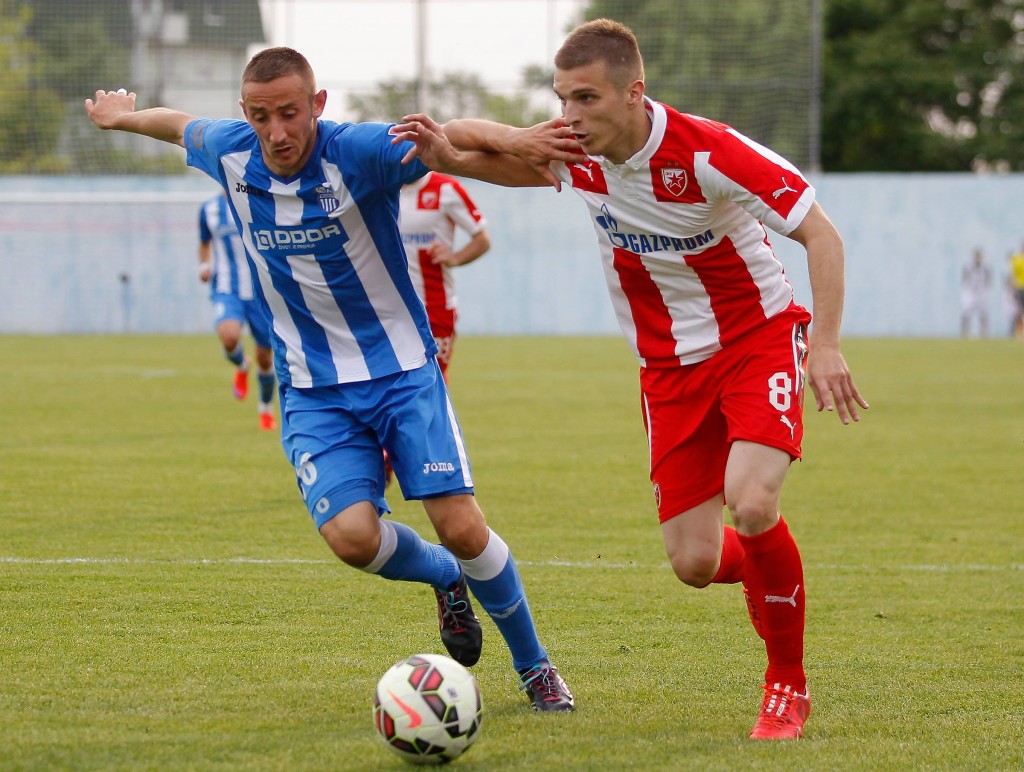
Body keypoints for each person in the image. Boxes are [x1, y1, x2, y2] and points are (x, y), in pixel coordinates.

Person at [393, 18, 868, 740]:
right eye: (561, 99)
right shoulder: (577, 153)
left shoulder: (708, 152)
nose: (570, 114)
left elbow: (821, 233)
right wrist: (470, 150)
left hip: (758, 338)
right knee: (694, 561)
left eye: (585, 98)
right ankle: (771, 570)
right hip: (667, 369)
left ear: (634, 93)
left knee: (752, 501)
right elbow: (469, 143)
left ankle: (786, 685)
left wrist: (826, 345)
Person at [84, 48, 574, 712]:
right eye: (261, 117)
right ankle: (445, 577)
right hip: (314, 387)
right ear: (245, 114)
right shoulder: (230, 150)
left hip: (401, 370)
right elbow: (176, 125)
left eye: (290, 113)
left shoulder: (357, 152)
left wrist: (517, 138)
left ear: (317, 104)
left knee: (461, 525)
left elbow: (451, 133)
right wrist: (123, 118)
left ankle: (535, 666)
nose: (277, 132)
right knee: (351, 538)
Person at [198, 189, 278, 429]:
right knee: (229, 337)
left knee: (265, 359)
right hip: (227, 289)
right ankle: (242, 363)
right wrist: (203, 265)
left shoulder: (257, 201)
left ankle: (265, 408)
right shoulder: (209, 209)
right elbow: (204, 242)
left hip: (260, 291)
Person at [399, 172, 491, 381]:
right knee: (393, 379)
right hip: (390, 306)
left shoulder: (446, 189)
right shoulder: (381, 185)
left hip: (435, 303)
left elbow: (482, 239)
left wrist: (454, 258)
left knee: (434, 377)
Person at [1008, 242, 1024, 337]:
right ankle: (1018, 331)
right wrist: (1012, 288)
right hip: (1019, 287)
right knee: (1018, 310)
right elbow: (1012, 274)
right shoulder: (1016, 259)